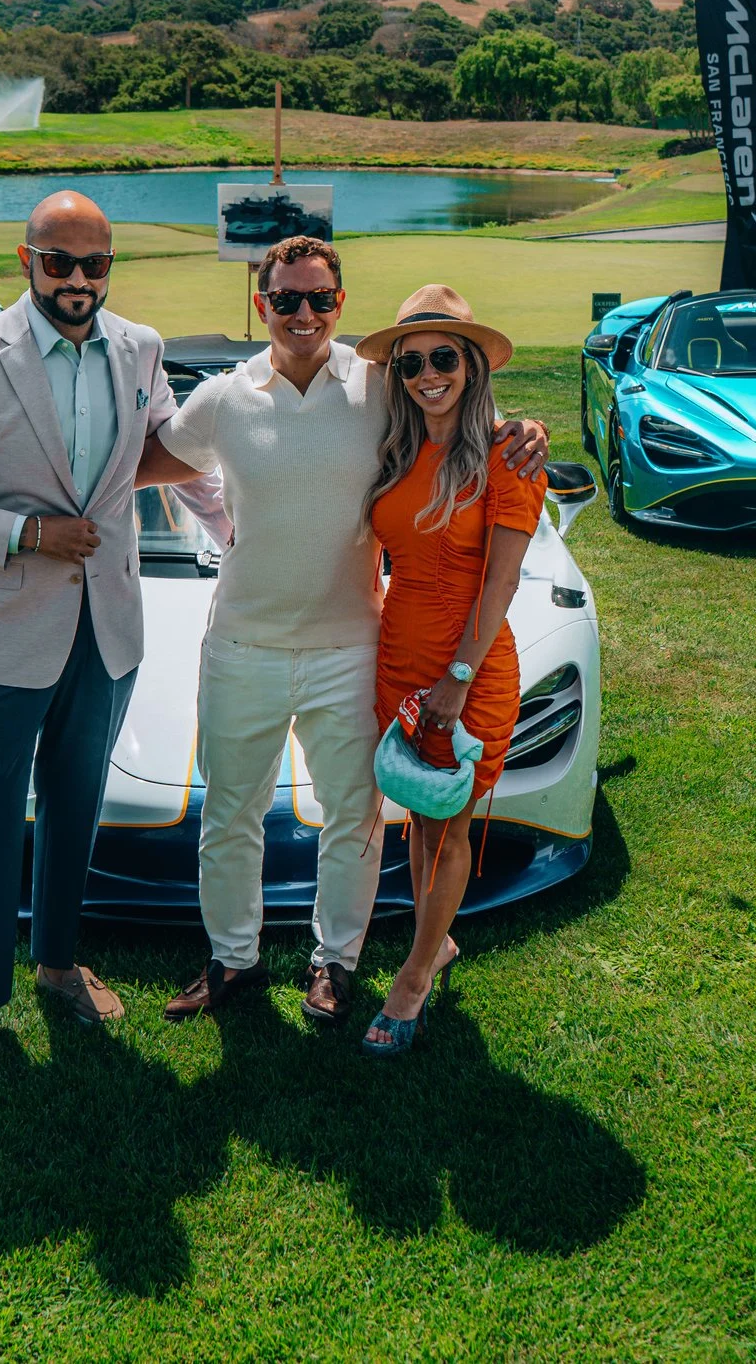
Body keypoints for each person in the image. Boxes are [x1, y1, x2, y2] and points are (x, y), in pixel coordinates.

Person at [146, 239, 547, 1028]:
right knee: (229, 813)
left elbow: (461, 412)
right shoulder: (223, 398)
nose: (303, 313)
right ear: (260, 304)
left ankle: (336, 962)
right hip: (242, 643)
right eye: (287, 299)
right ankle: (232, 959)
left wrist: (525, 428)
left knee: (354, 817)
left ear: (340, 302)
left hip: (351, 646)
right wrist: (36, 487)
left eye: (320, 299)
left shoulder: (379, 388)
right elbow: (146, 464)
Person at [0, 189, 224, 1081]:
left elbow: (170, 456)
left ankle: (61, 965)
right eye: (60, 261)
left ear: (112, 266)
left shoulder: (142, 350)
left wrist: (239, 535)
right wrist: (29, 535)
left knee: (76, 809)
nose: (78, 279)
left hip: (107, 628)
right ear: (26, 259)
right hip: (4, 629)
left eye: (95, 263)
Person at [354, 286, 542, 1055]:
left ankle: (412, 982)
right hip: (398, 653)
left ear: (470, 364)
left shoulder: (508, 452)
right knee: (417, 806)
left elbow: (501, 582)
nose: (428, 375)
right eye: (411, 363)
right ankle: (439, 941)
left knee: (452, 818)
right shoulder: (397, 448)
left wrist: (459, 675)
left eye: (444, 358)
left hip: (468, 663)